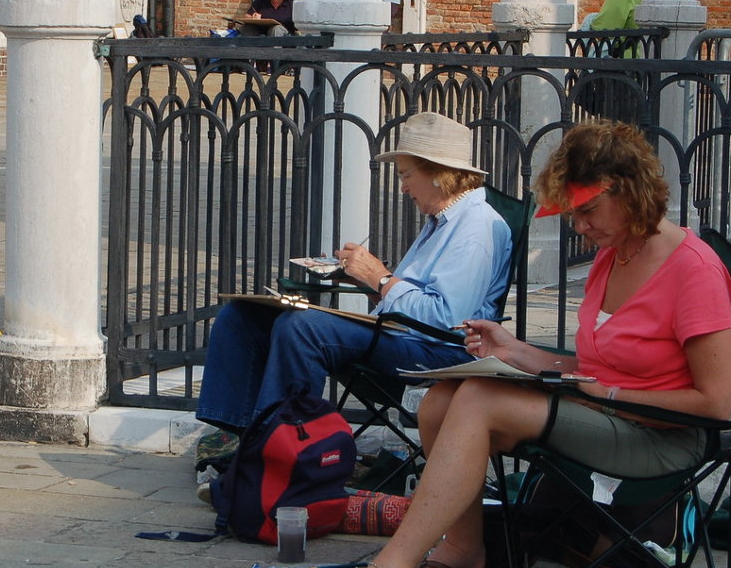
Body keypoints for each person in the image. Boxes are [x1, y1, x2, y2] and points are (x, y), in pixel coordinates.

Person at [300, 120, 731, 568]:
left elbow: (715, 405)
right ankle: (463, 549)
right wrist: (516, 351)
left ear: (631, 192)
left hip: (660, 436)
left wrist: (608, 393)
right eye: (572, 214)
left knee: (479, 402)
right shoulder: (613, 256)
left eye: (588, 211)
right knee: (446, 395)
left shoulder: (693, 269)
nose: (580, 227)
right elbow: (590, 370)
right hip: (607, 410)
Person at [195, 112, 512, 436]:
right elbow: (411, 298)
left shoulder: (476, 228)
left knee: (304, 326)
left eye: (406, 175)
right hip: (399, 333)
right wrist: (367, 280)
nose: (402, 188)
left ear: (437, 174)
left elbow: (447, 320)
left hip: (438, 351)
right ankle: (238, 441)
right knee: (243, 316)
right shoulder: (442, 219)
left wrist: (381, 278)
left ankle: (282, 450)